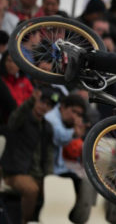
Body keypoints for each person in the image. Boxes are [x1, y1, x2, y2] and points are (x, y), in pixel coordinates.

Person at [1, 86, 60, 223]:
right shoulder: (21, 119)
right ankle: (25, 221)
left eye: (49, 105)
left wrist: (50, 177)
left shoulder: (48, 128)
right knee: (31, 189)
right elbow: (12, 121)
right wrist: (29, 101)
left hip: (37, 175)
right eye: (42, 101)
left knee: (54, 191)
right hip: (14, 173)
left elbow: (50, 156)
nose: (44, 106)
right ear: (35, 100)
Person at [45, 94, 95, 223]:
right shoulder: (51, 118)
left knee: (86, 181)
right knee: (79, 184)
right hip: (47, 168)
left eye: (78, 115)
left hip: (58, 167)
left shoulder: (63, 121)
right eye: (73, 111)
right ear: (62, 107)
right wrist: (74, 132)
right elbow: (58, 135)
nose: (75, 117)